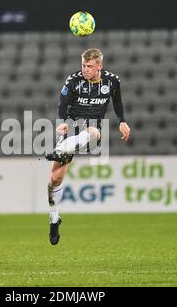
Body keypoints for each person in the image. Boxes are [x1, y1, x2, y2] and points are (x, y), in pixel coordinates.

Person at [45, 48, 131, 245]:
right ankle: (54, 218)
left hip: (93, 129)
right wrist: (63, 121)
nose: (85, 69)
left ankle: (60, 150)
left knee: (93, 132)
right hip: (72, 129)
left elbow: (117, 102)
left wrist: (122, 121)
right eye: (83, 65)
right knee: (55, 179)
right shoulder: (73, 81)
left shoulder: (111, 81)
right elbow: (62, 103)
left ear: (99, 66)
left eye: (89, 66)